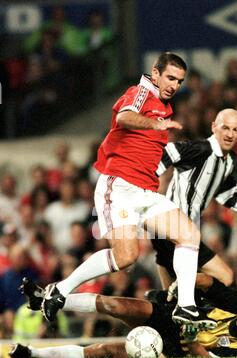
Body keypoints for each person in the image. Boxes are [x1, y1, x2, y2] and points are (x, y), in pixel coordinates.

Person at [41, 52, 210, 327]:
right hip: (119, 187)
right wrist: (154, 123)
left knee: (189, 235)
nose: (174, 85)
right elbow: (124, 117)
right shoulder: (141, 92)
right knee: (126, 257)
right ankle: (60, 290)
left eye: (179, 81)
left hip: (145, 191)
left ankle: (186, 306)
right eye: (170, 77)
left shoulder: (165, 107)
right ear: (155, 73)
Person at [153, 108, 237, 289]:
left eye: (235, 130)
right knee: (226, 277)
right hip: (174, 227)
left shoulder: (230, 163)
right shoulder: (200, 149)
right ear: (214, 127)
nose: (230, 134)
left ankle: (174, 295)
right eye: (225, 128)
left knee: (170, 306)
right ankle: (182, 287)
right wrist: (145, 185)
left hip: (175, 233)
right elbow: (167, 152)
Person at [10, 275, 237, 358]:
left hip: (178, 350)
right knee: (115, 304)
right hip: (171, 319)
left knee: (104, 350)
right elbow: (208, 282)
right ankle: (48, 297)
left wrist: (189, 337)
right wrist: (181, 284)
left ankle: (29, 351)